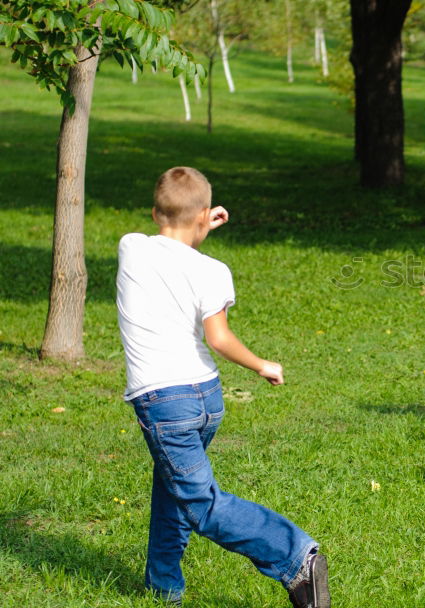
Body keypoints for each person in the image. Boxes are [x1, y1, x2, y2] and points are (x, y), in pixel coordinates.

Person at [116, 166, 330, 607]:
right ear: (204, 217)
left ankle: (296, 557)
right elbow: (218, 338)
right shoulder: (213, 270)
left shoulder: (131, 247)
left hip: (163, 402)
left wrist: (194, 224)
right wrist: (260, 365)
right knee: (173, 490)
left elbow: (170, 238)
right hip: (205, 397)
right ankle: (163, 589)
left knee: (201, 504)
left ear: (155, 212)